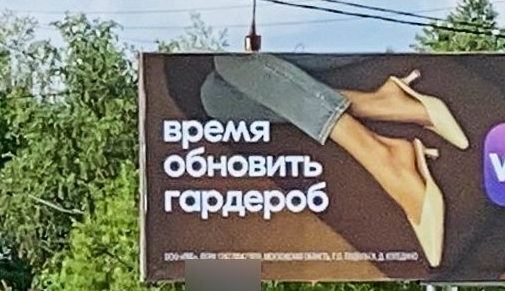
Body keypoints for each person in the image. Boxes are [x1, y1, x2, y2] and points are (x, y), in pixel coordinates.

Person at [201, 58, 469, 266]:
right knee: (217, 98)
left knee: (231, 59)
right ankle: (383, 105)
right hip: (298, 28)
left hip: (349, 22)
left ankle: (380, 154)